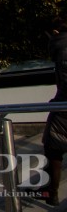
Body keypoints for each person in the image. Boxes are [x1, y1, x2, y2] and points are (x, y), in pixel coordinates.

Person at [39, 17, 67, 205]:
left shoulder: (62, 47)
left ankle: (52, 192)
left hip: (64, 105)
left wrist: (58, 101)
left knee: (53, 145)